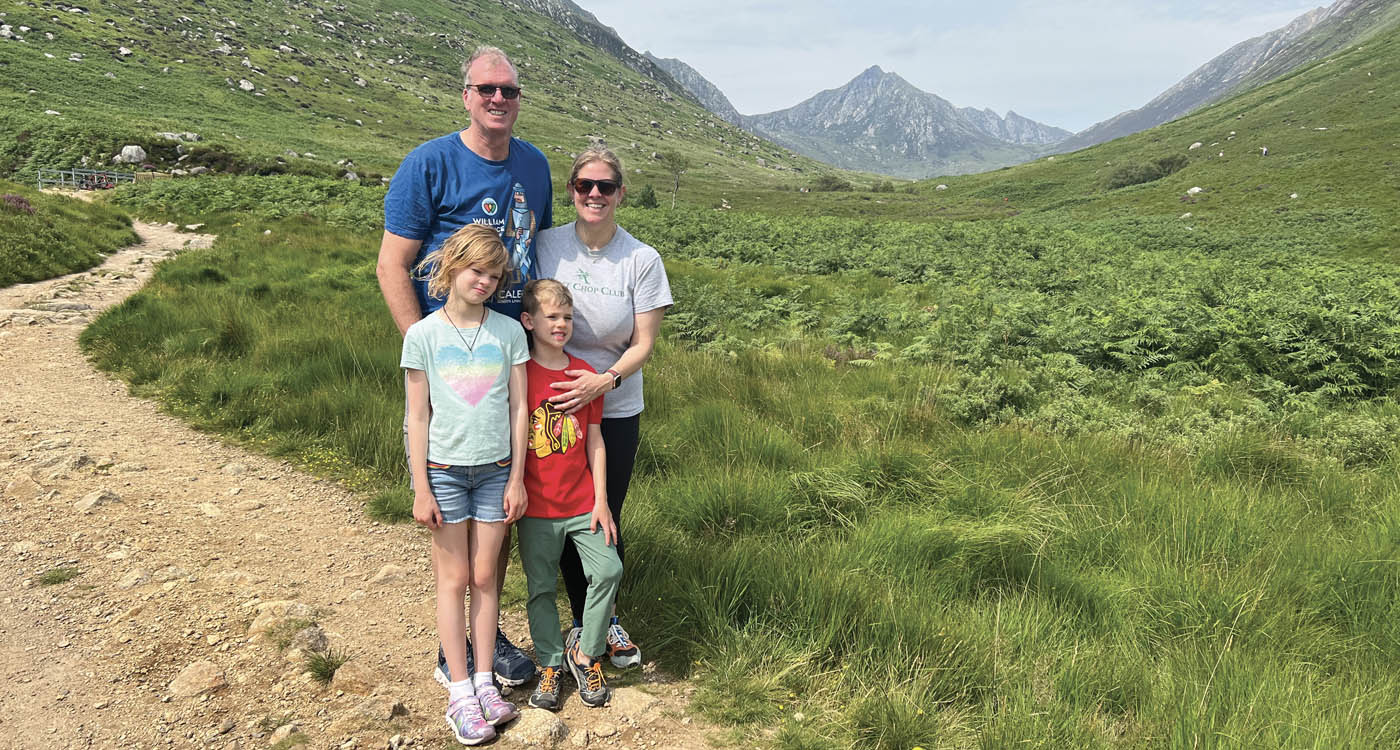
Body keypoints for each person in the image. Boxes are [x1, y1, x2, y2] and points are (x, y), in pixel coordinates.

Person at [377, 44, 550, 688]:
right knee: (453, 500)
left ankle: (488, 633)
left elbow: (534, 254)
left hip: (510, 355)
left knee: (499, 500)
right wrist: (428, 351)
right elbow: (393, 265)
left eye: (508, 90)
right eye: (486, 89)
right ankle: (461, 650)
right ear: (466, 95)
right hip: (450, 367)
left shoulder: (534, 166)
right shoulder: (428, 164)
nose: (498, 99)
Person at [535, 146, 672, 667]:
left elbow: (643, 343)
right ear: (571, 191)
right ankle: (579, 621)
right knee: (560, 512)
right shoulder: (547, 246)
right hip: (551, 405)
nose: (595, 195)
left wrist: (604, 381)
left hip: (613, 407)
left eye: (606, 187)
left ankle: (605, 616)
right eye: (585, 185)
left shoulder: (641, 259)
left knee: (605, 511)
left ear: (620, 194)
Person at [400, 225, 529, 745]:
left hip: (497, 472)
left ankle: (484, 681)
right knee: (452, 581)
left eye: (494, 276)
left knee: (485, 578)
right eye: (476, 271)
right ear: (451, 266)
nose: (484, 282)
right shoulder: (423, 335)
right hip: (446, 475)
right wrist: (420, 487)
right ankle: (458, 691)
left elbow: (520, 408)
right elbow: (417, 416)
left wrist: (517, 478)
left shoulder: (509, 333)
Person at [515, 279, 622, 710]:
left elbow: (595, 441)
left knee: (609, 570)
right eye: (551, 317)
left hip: (582, 503)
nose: (561, 324)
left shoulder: (584, 377)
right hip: (536, 507)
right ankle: (549, 663)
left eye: (567, 317)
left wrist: (602, 500)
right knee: (540, 587)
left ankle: (586, 653)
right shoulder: (519, 373)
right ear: (529, 320)